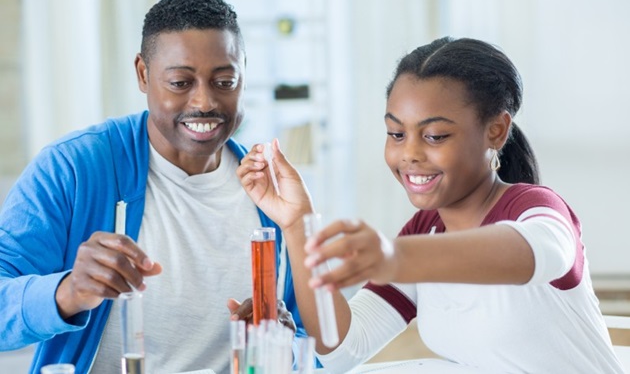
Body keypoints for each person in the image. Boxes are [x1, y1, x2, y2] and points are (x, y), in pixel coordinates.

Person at [237, 36, 625, 373]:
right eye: (395, 133)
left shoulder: (533, 208)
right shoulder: (426, 231)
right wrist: (297, 222)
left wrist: (394, 257)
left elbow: (537, 253)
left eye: (435, 136)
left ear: (496, 130)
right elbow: (343, 351)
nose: (410, 154)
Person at [0, 0, 308, 373]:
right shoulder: (73, 169)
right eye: (180, 82)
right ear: (143, 74)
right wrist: (69, 292)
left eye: (225, 81)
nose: (204, 101)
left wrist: (281, 347)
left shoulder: (270, 194)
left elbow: (314, 341)